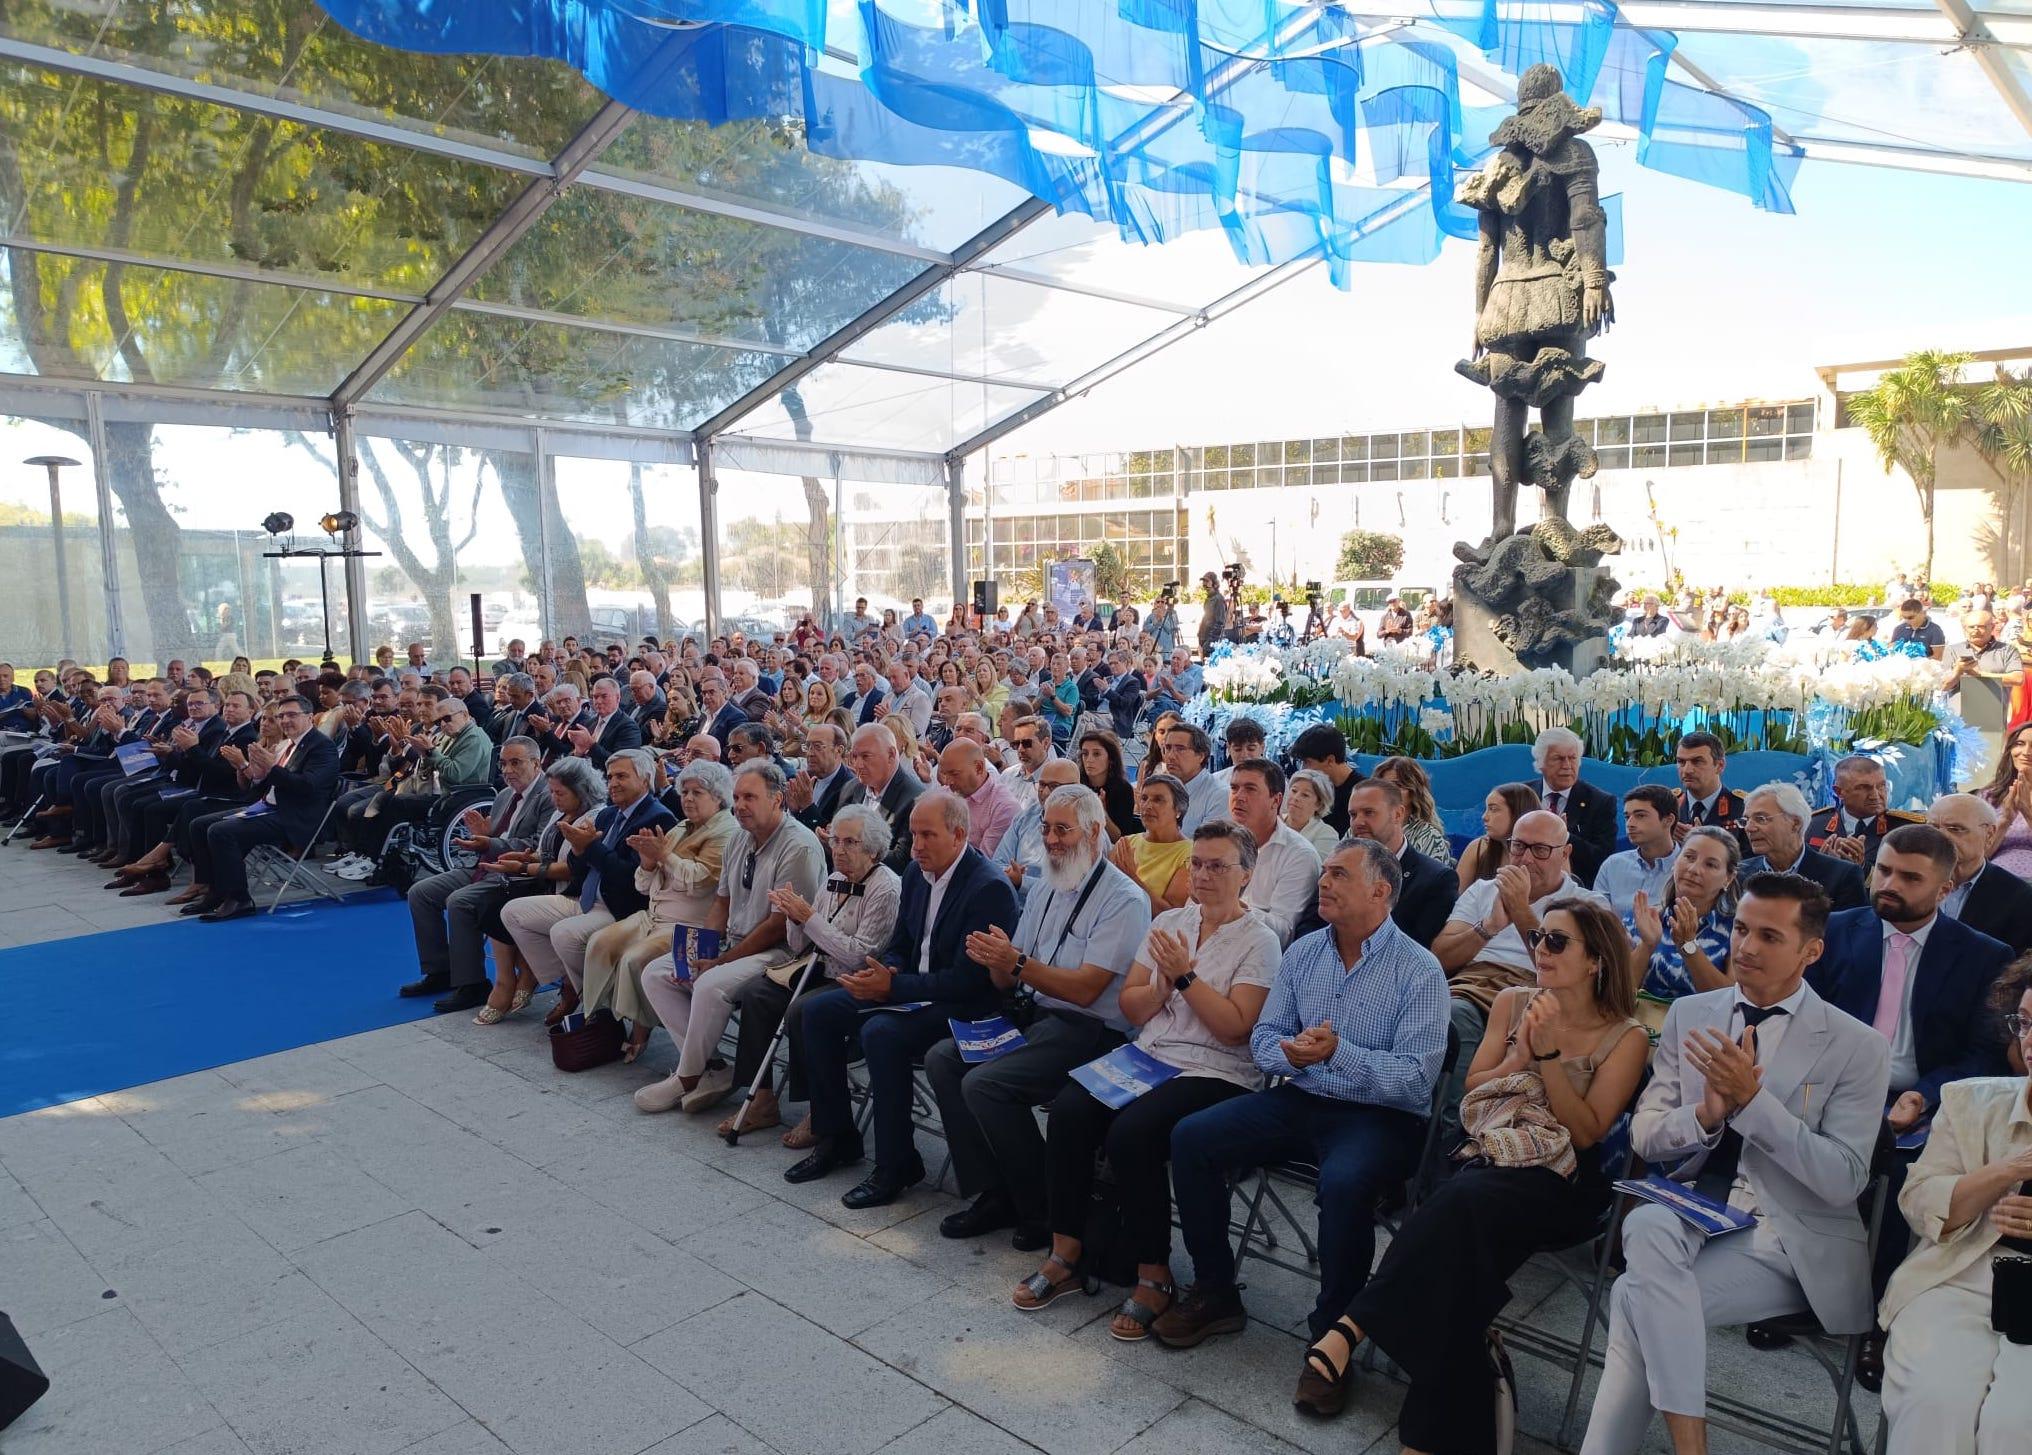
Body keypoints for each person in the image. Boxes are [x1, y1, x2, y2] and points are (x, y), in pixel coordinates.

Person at [1296, 900, 1647, 1435]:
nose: (1540, 950)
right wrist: (1521, 1058)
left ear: (1597, 959)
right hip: (1489, 1153)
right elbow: (1473, 1086)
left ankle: (1350, 1326)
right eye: (1538, 938)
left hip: (1563, 1181)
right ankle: (1435, 1427)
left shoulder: (1626, 1036)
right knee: (1463, 1272)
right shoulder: (1512, 1001)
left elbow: (1585, 1133)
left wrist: (1551, 1058)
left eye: (1557, 941)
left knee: (1456, 1205)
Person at [1580, 872, 1890, 1455]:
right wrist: (1706, 1114)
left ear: (1811, 951)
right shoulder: (1692, 1013)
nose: (1746, 947)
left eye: (1770, 936)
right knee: (1646, 1227)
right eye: (1742, 929)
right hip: (1694, 1205)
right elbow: (1647, 1134)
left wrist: (1753, 1105)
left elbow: (1844, 1178)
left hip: (1789, 1235)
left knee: (1634, 1298)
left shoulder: (1857, 1045)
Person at [1157, 837, 1449, 1349]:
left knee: (1343, 1184)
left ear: (1381, 891)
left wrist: (1339, 1054)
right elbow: (1265, 1039)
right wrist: (1290, 1054)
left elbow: (1415, 1080)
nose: (1324, 881)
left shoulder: (1420, 970)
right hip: (1303, 1096)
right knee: (1192, 1138)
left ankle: (1332, 1334)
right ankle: (1215, 1290)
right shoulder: (1305, 951)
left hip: (1381, 1117)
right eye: (1325, 872)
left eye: (1339, 874)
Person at [1014, 820, 1279, 1338]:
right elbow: (1133, 1006)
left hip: (1213, 1069)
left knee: (1133, 1134)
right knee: (1070, 1111)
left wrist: (1182, 977)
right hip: (1149, 1053)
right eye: (1195, 864)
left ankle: (1153, 1276)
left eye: (1216, 866)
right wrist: (1162, 989)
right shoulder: (1171, 922)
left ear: (1245, 875)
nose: (1201, 875)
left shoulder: (1261, 940)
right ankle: (1066, 1252)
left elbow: (1233, 1029)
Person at [927, 784, 1152, 1243]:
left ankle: (1040, 1207)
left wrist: (1015, 963)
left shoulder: (1124, 898)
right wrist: (997, 964)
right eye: (1046, 828)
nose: (1051, 840)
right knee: (943, 1059)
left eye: (1063, 830)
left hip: (1092, 1031)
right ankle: (995, 1190)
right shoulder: (1050, 884)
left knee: (986, 1084)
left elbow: (1088, 991)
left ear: (1092, 833)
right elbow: (1012, 974)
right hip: (1036, 1014)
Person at [786, 791, 1020, 1206]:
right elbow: (902, 942)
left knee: (881, 1032)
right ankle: (836, 1135)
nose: (918, 845)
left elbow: (969, 982)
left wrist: (893, 987)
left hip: (963, 1007)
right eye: (913, 834)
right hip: (913, 989)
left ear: (959, 834)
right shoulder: (916, 872)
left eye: (928, 835)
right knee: (817, 1010)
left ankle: (897, 1163)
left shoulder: (988, 888)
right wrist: (889, 970)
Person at [1878, 958, 2032, 1454]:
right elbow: (1917, 1201)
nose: (2030, 1040)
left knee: (2017, 1424)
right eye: (2026, 1023)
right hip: (1958, 1279)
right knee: (1936, 1400)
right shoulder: (1971, 1102)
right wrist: (2005, 1172)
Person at [633, 761, 825, 1113]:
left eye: (750, 797)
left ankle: (687, 1075)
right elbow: (721, 902)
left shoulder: (799, 846)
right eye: (736, 797)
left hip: (783, 953)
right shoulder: (739, 838)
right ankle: (712, 1068)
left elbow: (778, 925)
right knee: (657, 973)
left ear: (778, 800)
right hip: (736, 945)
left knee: (710, 984)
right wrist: (699, 952)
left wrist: (719, 962)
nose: (739, 805)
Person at [718, 802, 902, 1143]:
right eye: (835, 841)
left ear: (874, 849)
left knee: (802, 1010)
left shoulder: (886, 888)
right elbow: (800, 942)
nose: (839, 851)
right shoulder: (833, 879)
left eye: (851, 843)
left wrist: (809, 918)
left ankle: (819, 1107)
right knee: (756, 994)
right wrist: (793, 916)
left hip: (856, 979)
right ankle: (761, 1098)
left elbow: (859, 956)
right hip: (816, 967)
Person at [1433, 809, 1607, 1147]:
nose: (1526, 858)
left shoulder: (1588, 906)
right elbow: (1439, 958)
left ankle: (1453, 1137)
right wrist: (1490, 927)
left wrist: (1520, 910)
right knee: (1444, 1012)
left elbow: (1572, 976)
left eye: (1540, 850)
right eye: (1518, 847)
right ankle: (1434, 1134)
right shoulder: (1483, 891)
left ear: (1565, 854)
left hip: (1539, 993)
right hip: (1473, 986)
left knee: (1463, 1020)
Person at [499, 749, 676, 1019]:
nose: (613, 783)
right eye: (611, 776)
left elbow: (630, 878)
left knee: (564, 934)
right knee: (512, 912)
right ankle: (578, 988)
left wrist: (589, 847)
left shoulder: (656, 817)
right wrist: (579, 849)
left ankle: (593, 1002)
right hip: (585, 898)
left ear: (645, 780)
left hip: (621, 908)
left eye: (622, 776)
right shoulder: (607, 815)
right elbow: (578, 867)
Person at [580, 759, 738, 1058]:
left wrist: (663, 855)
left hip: (689, 924)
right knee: (600, 943)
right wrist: (648, 862)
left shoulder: (725, 831)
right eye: (685, 792)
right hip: (653, 916)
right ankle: (601, 1019)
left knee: (633, 959)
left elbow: (701, 881)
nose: (688, 799)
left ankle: (641, 1028)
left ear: (718, 797)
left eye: (698, 792)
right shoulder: (680, 826)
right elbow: (642, 885)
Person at [398, 735, 555, 1011]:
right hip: (485, 865)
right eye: (504, 763)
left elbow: (538, 846)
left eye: (515, 763)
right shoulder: (505, 794)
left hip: (517, 874)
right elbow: (497, 835)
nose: (507, 771)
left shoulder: (548, 796)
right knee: (420, 892)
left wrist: (490, 842)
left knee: (460, 901)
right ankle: (440, 970)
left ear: (536, 763)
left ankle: (472, 984)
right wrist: (485, 836)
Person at [181, 695, 340, 922]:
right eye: (281, 716)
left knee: (221, 831)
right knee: (200, 824)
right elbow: (263, 785)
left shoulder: (322, 747)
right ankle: (215, 891)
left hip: (295, 816)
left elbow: (307, 786)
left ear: (309, 718)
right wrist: (244, 767)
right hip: (267, 807)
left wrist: (271, 766)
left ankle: (239, 899)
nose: (285, 720)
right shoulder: (287, 744)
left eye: (292, 715)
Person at [1626, 825, 1740, 1001]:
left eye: (1710, 864)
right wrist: (1647, 945)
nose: (1694, 869)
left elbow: (1729, 1001)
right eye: (1689, 857)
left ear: (1728, 878)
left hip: (1703, 1025)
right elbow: (1618, 993)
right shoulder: (1641, 918)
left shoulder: (1738, 930)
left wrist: (1689, 946)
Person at [1343, 778, 1458, 948]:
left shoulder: (1436, 879)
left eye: (1369, 812)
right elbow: (1312, 925)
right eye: (1353, 815)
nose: (1358, 822)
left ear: (1398, 814)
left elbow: (1417, 948)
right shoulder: (1337, 869)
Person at [1224, 760, 1320, 947]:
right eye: (1234, 788)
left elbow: (1283, 933)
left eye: (1250, 789)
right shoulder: (1219, 842)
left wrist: (1230, 906)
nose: (1239, 797)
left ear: (1276, 800)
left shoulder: (1299, 855)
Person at [1740, 782, 1868, 911]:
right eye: (1745, 821)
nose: (1749, 828)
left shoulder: (1842, 875)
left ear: (1795, 824)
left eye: (1761, 819)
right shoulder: (1739, 874)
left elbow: (1851, 929)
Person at [1932, 793, 2032, 952]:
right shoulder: (1909, 881)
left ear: (1989, 834)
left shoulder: (2018, 897)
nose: (1941, 836)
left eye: (1956, 829)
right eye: (1933, 828)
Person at [1532, 726, 1616, 885]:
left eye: (1572, 758)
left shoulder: (1600, 802)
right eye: (1558, 758)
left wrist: (1565, 836)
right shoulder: (1523, 795)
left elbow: (1603, 859)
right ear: (1540, 762)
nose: (1567, 765)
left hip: (1578, 888)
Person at [1808, 755, 1920, 872]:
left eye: (1881, 786)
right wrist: (1821, 866)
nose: (1876, 796)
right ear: (1839, 792)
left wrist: (1862, 867)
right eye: (1863, 788)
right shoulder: (1813, 825)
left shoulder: (1905, 830)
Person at [839, 723, 923, 875]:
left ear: (891, 754)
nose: (858, 764)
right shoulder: (851, 788)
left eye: (866, 756)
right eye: (854, 756)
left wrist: (851, 846)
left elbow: (902, 862)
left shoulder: (914, 799)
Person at [1109, 772, 1193, 915]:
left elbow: (1170, 915)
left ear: (1178, 809)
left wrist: (1133, 878)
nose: (1147, 806)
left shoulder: (1191, 853)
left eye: (1158, 800)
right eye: (1144, 798)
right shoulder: (1126, 843)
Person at [1594, 784, 1681, 919]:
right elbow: (1598, 922)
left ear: (1668, 820)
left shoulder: (1689, 869)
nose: (1630, 823)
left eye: (1640, 816)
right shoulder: (1612, 865)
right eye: (1627, 816)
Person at [935, 738, 1017, 856]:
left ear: (978, 768)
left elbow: (983, 863)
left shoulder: (1003, 808)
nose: (948, 782)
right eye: (945, 774)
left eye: (954, 774)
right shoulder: (944, 795)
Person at [1455, 781, 1542, 890]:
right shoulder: (1478, 847)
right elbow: (1455, 900)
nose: (1484, 817)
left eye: (1493, 809)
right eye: (1486, 809)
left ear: (1517, 812)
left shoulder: (1548, 853)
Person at [1671, 730, 1748, 849]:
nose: (1687, 770)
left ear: (1719, 766)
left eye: (1697, 762)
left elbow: (1752, 863)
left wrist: (1703, 845)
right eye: (1681, 762)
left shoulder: (1742, 808)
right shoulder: (1668, 807)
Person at [1372, 756, 1451, 866]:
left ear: (1413, 791)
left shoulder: (1428, 837)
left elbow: (1433, 881)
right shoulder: (1361, 827)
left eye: (1398, 785)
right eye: (1384, 786)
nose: (1389, 792)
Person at [1290, 723, 1364, 835]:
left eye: (1307, 762)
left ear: (1330, 760)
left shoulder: (1362, 793)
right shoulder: (1311, 788)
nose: (1303, 769)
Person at [1981, 722, 2032, 877]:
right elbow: (1976, 857)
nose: (2026, 752)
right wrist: (2005, 820)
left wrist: (2027, 812)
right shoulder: (1990, 795)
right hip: (1996, 880)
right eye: (2020, 744)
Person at [1159, 722, 1225, 833]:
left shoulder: (1219, 795)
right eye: (1168, 748)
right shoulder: (1161, 789)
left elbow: (1209, 847)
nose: (1170, 756)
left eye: (1180, 749)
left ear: (1201, 755)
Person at [1075, 730, 1138, 841]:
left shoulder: (1123, 790)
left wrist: (1101, 812)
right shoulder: (1076, 783)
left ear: (1111, 759)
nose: (1089, 760)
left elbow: (1120, 839)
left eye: (1096, 754)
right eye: (1085, 754)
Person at [1284, 768, 1340, 858]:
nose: (1295, 797)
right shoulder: (1272, 821)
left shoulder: (1327, 834)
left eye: (1305, 795)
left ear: (1319, 804)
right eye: (1294, 791)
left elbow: (1316, 869)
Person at [1891, 596, 1947, 661]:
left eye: (1910, 617)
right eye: (1904, 617)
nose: (1907, 620)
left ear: (1922, 613)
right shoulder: (1899, 629)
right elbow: (1892, 652)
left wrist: (1916, 663)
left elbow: (1938, 657)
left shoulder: (1935, 630)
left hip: (1927, 668)